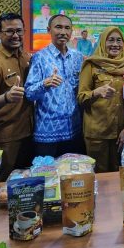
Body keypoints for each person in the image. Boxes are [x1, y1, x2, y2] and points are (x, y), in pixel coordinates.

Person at [0, 12, 34, 180]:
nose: (15, 35)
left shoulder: (25, 57)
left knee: (24, 185)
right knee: (1, 185)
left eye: (19, 30)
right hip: (3, 138)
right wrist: (7, 97)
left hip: (26, 134)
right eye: (9, 31)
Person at [25, 14, 84, 156]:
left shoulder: (78, 57)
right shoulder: (39, 57)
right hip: (47, 132)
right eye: (58, 27)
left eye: (67, 28)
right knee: (47, 170)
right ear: (48, 30)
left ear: (71, 32)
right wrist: (44, 84)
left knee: (73, 169)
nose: (63, 32)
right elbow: (29, 93)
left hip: (74, 129)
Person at [77, 27, 124, 172]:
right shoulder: (91, 65)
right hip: (97, 133)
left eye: (119, 40)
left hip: (120, 134)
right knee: (99, 176)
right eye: (111, 40)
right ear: (102, 42)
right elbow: (81, 97)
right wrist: (96, 92)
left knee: (118, 174)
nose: (115, 44)